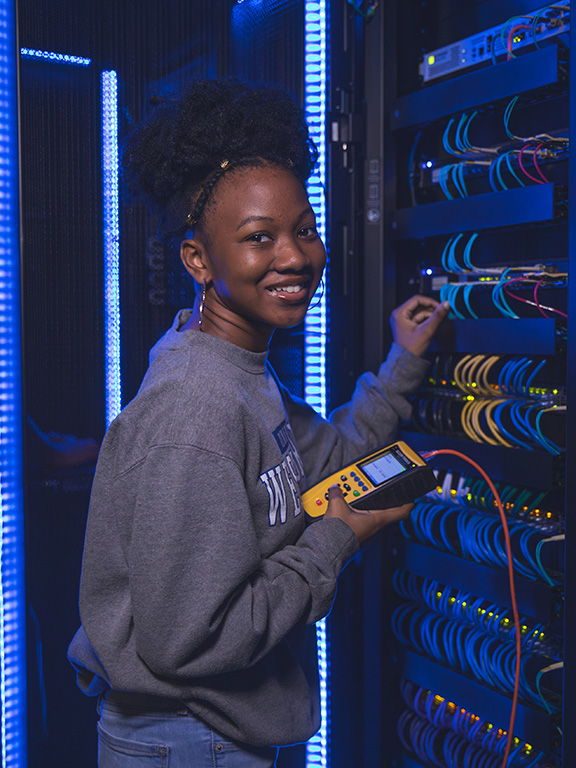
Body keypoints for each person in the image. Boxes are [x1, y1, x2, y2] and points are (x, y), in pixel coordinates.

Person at [68, 78, 449, 767]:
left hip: (216, 733)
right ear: (198, 261)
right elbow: (189, 641)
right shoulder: (196, 407)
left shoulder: (240, 373)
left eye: (303, 229)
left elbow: (339, 454)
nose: (295, 257)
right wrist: (337, 537)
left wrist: (402, 361)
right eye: (258, 238)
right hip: (185, 740)